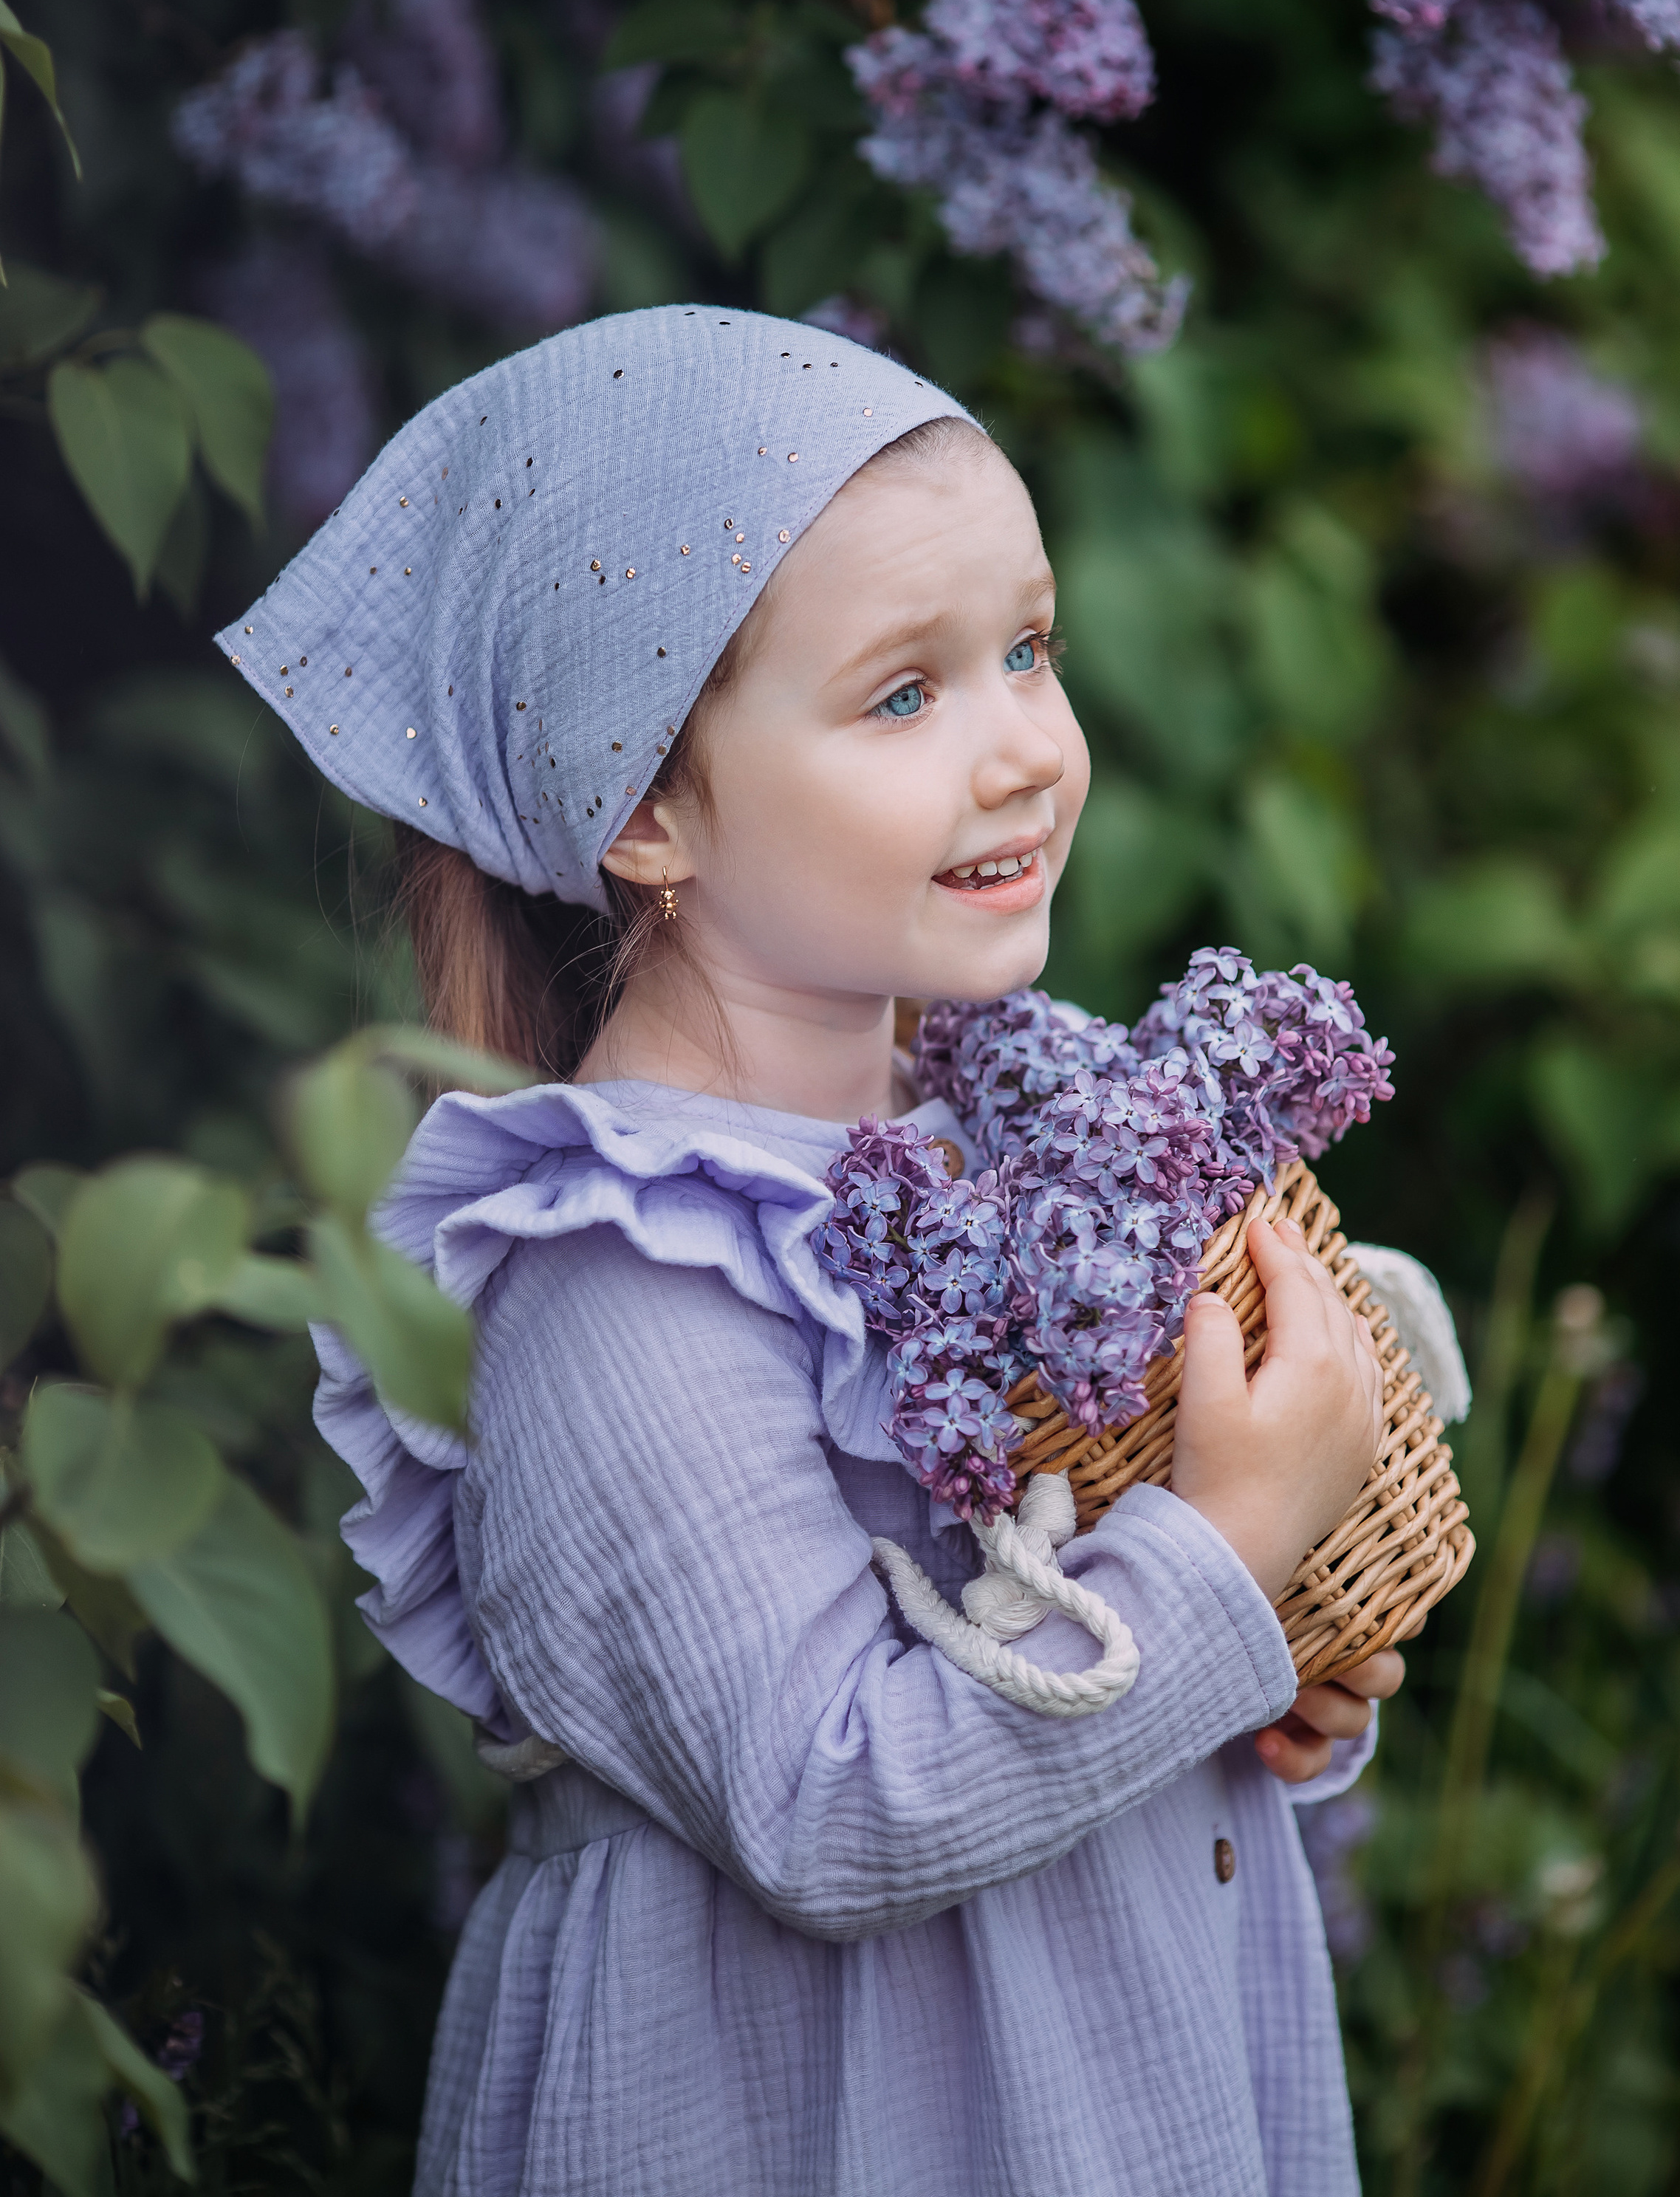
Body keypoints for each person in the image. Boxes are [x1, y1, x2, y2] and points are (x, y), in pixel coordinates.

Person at [221, 304, 1405, 2197]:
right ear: (647, 810)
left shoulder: (1006, 1134)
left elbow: (1119, 1610)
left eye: (1027, 650)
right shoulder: (616, 1280)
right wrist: (1224, 1564)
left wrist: (1272, 1654)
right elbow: (827, 1804)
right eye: (902, 694)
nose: (1022, 751)